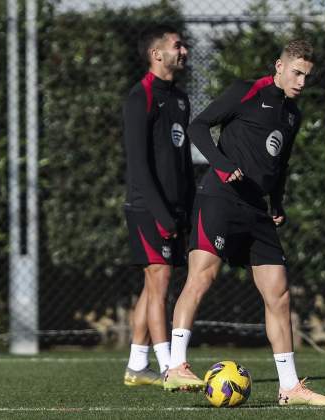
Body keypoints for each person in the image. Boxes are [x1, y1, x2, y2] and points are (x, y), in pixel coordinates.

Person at [163, 40, 325, 406]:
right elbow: (198, 128)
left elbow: (281, 165)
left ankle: (289, 388)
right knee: (202, 276)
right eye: (296, 73)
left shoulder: (294, 115)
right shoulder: (246, 91)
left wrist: (277, 202)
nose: (302, 82)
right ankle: (176, 365)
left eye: (307, 76)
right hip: (220, 198)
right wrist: (222, 165)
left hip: (258, 210)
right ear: (279, 65)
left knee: (279, 293)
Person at [121, 25, 194, 387]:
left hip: (174, 208)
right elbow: (138, 164)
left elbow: (180, 161)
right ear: (157, 54)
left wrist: (188, 207)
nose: (184, 51)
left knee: (153, 286)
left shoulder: (180, 99)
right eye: (177, 46)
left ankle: (137, 364)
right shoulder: (141, 97)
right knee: (160, 280)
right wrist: (162, 214)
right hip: (146, 207)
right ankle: (170, 368)